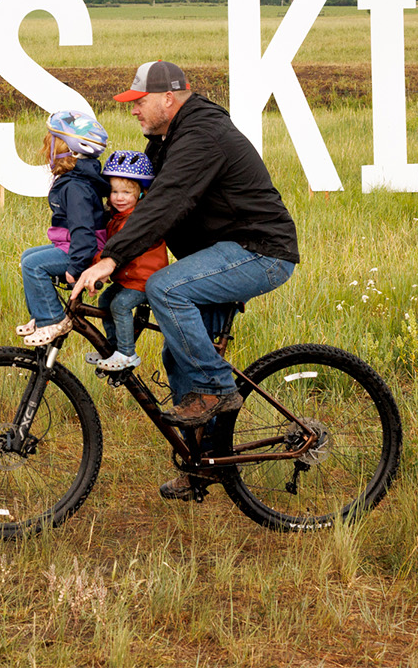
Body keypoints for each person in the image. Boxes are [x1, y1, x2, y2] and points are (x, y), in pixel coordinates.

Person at [68, 60, 299, 501]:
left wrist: (112, 259)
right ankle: (205, 463)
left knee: (165, 288)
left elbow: (165, 202)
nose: (133, 110)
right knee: (179, 358)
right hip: (217, 255)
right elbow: (132, 190)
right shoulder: (166, 138)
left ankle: (217, 389)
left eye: (140, 102)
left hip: (259, 251)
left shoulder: (200, 136)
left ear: (168, 99)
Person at [16, 110, 110, 347]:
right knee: (28, 256)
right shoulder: (73, 181)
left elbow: (84, 232)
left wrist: (76, 265)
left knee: (33, 264)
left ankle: (53, 319)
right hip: (72, 245)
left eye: (50, 146)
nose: (45, 153)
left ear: (67, 151)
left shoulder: (75, 187)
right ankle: (40, 316)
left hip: (82, 249)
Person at [87, 150, 168, 373]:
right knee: (105, 301)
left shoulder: (136, 222)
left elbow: (119, 253)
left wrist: (95, 265)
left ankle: (126, 353)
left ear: (141, 193)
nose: (119, 198)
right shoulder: (117, 217)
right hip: (128, 278)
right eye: (114, 192)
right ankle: (112, 349)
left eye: (126, 192)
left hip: (145, 279)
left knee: (119, 305)